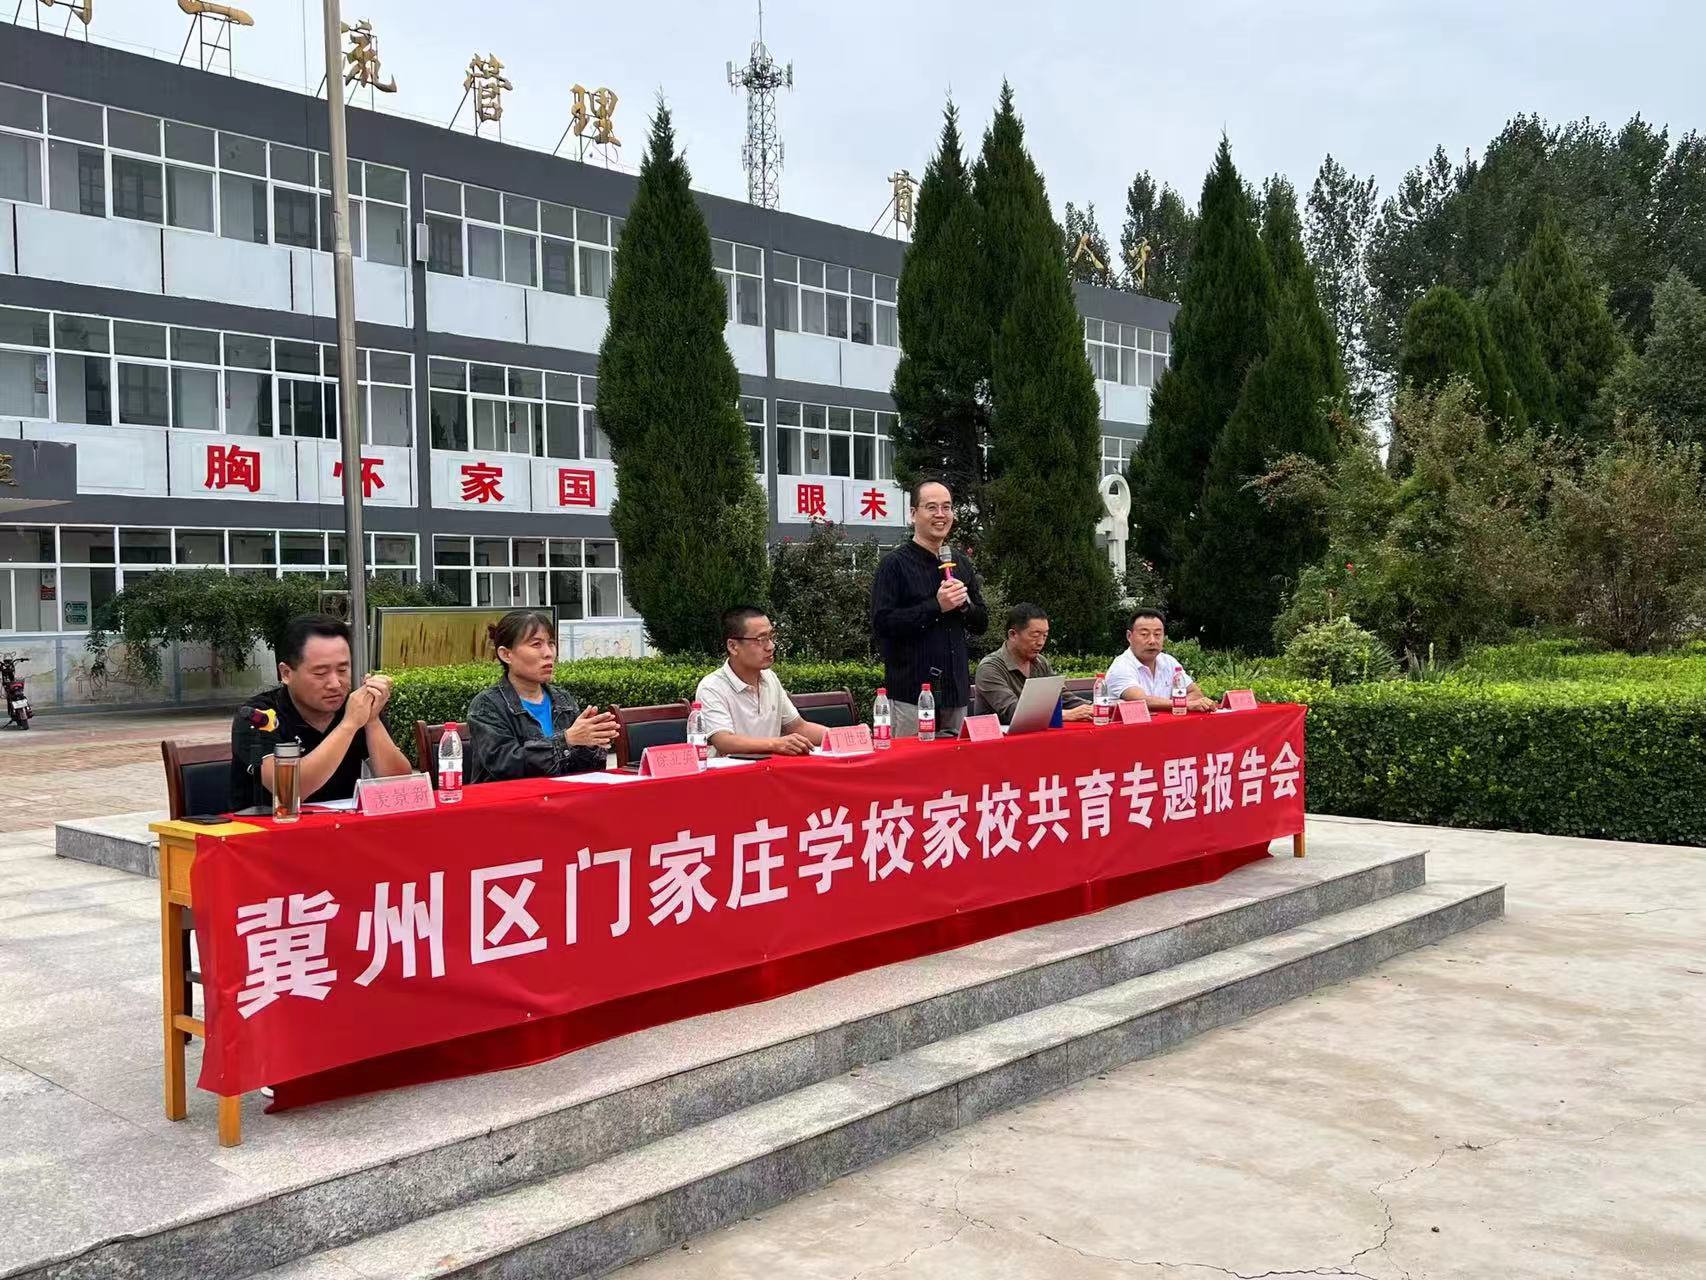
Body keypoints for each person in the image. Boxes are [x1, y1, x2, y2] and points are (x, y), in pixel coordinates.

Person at [230, 614, 412, 811]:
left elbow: (399, 784)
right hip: (267, 826)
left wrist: (372, 720)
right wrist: (349, 725)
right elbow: (289, 790)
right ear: (286, 673)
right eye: (320, 673)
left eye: (343, 670)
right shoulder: (259, 716)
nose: (335, 684)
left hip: (343, 824)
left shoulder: (356, 708)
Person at [871, 478, 988, 738]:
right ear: (913, 514)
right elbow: (883, 624)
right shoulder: (894, 565)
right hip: (911, 693)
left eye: (947, 507)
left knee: (957, 763)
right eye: (932, 507)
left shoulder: (960, 562)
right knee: (912, 762)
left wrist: (965, 605)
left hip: (955, 692)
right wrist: (937, 606)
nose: (941, 514)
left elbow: (982, 623)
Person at [467, 609, 618, 783]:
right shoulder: (487, 705)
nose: (548, 653)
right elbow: (505, 765)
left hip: (561, 797)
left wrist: (590, 744)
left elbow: (583, 772)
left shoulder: (563, 700)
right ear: (506, 654)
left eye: (551, 643)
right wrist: (566, 740)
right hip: (511, 799)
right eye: (536, 644)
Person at [694, 606, 828, 757]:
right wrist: (775, 744)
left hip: (770, 768)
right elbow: (724, 741)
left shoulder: (770, 678)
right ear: (733, 646)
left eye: (771, 637)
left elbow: (798, 727)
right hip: (732, 770)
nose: (771, 646)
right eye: (761, 639)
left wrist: (840, 736)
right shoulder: (712, 687)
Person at [974, 602, 1094, 725]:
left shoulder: (1040, 663)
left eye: (1045, 636)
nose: (1041, 642)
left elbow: (1063, 697)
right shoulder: (990, 668)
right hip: (997, 735)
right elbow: (1013, 712)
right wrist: (1065, 715)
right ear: (1013, 634)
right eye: (1035, 635)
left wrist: (1095, 708)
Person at [1105, 608, 1218, 712]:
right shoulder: (1121, 666)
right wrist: (1184, 704)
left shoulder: (1169, 662)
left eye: (1157, 634)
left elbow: (1195, 693)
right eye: (1144, 634)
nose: (1152, 641)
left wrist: (1179, 705)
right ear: (1129, 636)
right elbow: (1140, 700)